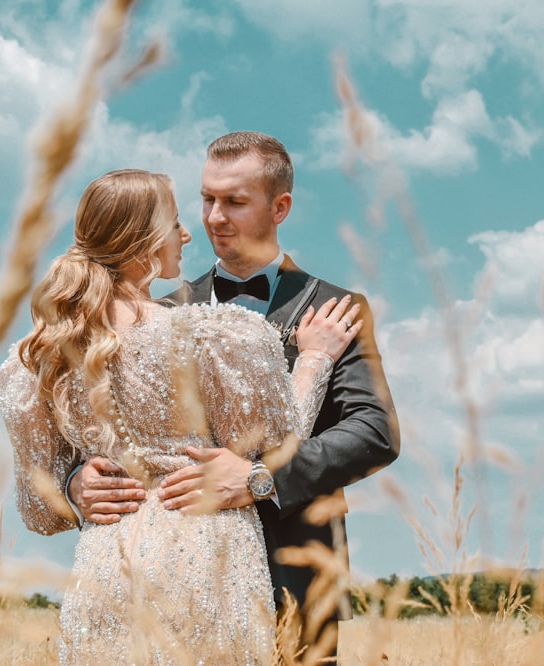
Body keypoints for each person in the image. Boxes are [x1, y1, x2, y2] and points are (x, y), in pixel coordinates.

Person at [0, 168, 363, 665]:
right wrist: (316, 357)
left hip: (108, 570)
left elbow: (38, 512)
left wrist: (72, 486)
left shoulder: (41, 354)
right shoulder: (213, 336)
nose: (187, 233)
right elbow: (278, 445)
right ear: (141, 239)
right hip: (210, 557)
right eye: (173, 223)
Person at [70, 132, 401, 657]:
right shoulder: (157, 310)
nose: (214, 218)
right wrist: (76, 481)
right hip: (180, 578)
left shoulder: (336, 307)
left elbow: (373, 432)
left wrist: (259, 480)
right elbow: (94, 427)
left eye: (234, 202)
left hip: (298, 573)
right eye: (207, 199)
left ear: (280, 207)